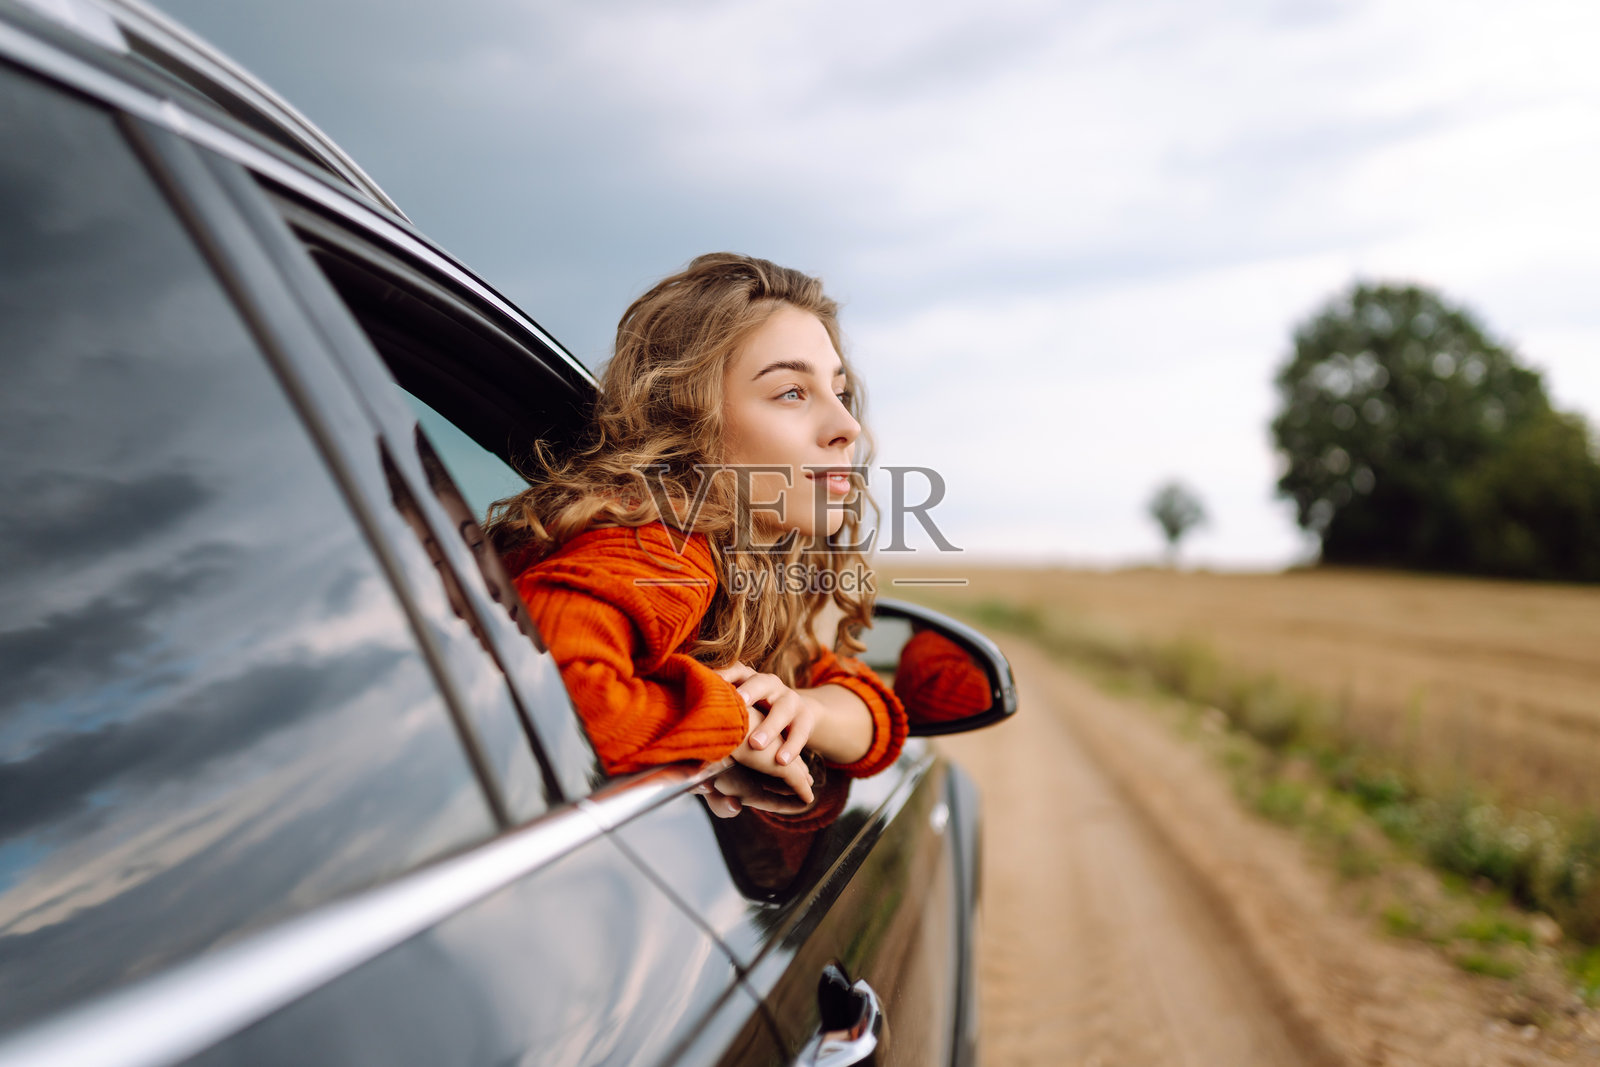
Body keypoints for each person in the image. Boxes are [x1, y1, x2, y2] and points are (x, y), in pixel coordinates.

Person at [485, 253, 907, 811]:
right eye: (791, 393)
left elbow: (875, 717)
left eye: (840, 392)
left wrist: (805, 710)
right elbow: (548, 694)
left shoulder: (745, 567)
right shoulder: (659, 544)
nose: (847, 427)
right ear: (693, 420)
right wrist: (732, 723)